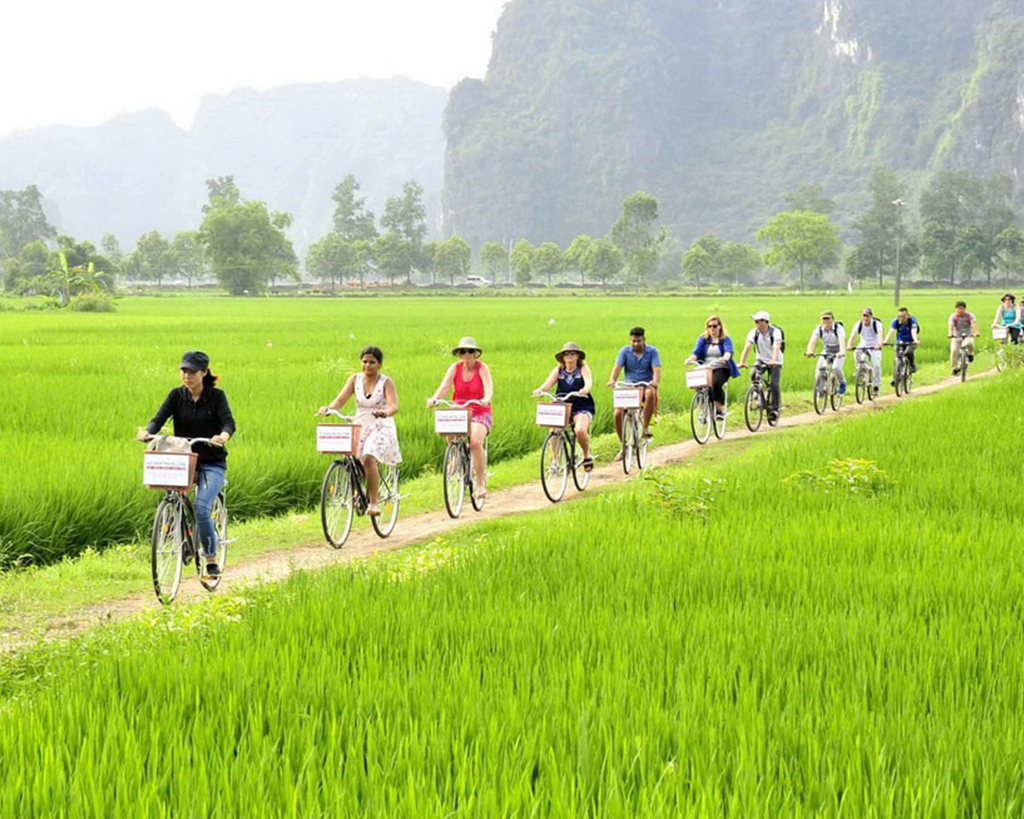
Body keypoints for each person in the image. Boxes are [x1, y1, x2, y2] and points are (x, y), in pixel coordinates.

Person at [138, 351, 235, 578]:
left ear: (204, 372)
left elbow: (229, 422)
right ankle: (178, 528)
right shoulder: (176, 396)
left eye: (192, 371)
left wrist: (222, 437)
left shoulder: (217, 397)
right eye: (183, 371)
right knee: (172, 493)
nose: (186, 376)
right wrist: (147, 432)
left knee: (202, 507)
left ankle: (210, 559)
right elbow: (158, 419)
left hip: (212, 462)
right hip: (183, 460)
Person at [317, 346, 401, 516]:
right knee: (351, 457)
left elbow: (393, 406)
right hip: (360, 424)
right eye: (364, 362)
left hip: (381, 426)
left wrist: (385, 413)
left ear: (379, 364)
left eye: (372, 362)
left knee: (368, 457)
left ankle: (374, 503)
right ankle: (358, 492)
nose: (367, 366)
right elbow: (341, 400)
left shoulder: (386, 382)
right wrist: (329, 408)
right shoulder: (354, 379)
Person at [427, 336, 493, 498]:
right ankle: (455, 456)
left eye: (470, 351)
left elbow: (489, 386)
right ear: (459, 354)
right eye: (463, 351)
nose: (467, 354)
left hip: (479, 410)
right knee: (449, 433)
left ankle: (480, 483)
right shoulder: (454, 368)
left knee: (475, 442)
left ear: (475, 353)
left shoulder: (482, 368)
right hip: (460, 410)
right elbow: (444, 387)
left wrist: (486, 398)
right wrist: (434, 398)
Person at [533, 342, 596, 472]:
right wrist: (540, 390)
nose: (569, 356)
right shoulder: (558, 371)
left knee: (579, 430)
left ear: (578, 356)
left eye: (572, 353)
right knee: (554, 430)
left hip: (581, 405)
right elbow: (547, 385)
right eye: (566, 354)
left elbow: (589, 381)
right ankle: (555, 461)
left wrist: (584, 389)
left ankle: (586, 455)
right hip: (563, 405)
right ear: (562, 357)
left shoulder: (583, 368)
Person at [606, 326, 661, 459]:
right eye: (633, 341)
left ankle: (645, 428)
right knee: (618, 413)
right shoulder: (625, 351)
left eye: (639, 341)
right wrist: (612, 379)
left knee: (650, 394)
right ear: (630, 340)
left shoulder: (652, 351)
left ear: (644, 340)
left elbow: (657, 369)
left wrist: (655, 381)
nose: (636, 344)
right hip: (629, 387)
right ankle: (623, 445)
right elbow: (617, 367)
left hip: (645, 385)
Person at [684, 315, 740, 420]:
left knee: (715, 384)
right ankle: (702, 409)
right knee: (698, 383)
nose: (712, 329)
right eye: (709, 326)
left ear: (720, 327)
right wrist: (690, 359)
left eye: (714, 326)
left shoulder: (725, 339)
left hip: (721, 367)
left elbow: (729, 350)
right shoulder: (703, 339)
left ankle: (719, 409)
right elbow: (697, 352)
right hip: (706, 367)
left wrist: (725, 357)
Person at [739, 311, 783, 422]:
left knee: (774, 384)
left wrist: (773, 360)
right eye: (755, 321)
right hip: (761, 358)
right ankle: (758, 394)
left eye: (758, 321)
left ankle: (774, 409)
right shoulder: (754, 333)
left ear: (765, 322)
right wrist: (742, 362)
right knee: (754, 374)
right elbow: (748, 347)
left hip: (775, 360)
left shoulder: (776, 332)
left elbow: (776, 346)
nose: (756, 323)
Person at [804, 311, 846, 394]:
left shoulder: (838, 328)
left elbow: (842, 340)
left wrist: (842, 352)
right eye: (824, 319)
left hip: (838, 350)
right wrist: (810, 351)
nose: (826, 321)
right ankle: (820, 390)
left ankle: (842, 383)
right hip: (827, 350)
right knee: (820, 368)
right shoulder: (819, 329)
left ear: (833, 320)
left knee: (836, 368)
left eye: (828, 319)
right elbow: (813, 341)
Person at [846, 307, 884, 397]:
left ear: (871, 316)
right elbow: (853, 336)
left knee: (877, 366)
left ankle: (876, 386)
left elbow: (880, 335)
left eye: (867, 316)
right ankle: (859, 369)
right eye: (864, 316)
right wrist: (849, 345)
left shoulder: (876, 324)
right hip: (863, 344)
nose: (865, 318)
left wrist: (879, 345)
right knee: (857, 353)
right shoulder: (859, 324)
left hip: (874, 346)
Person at [883, 307, 920, 385]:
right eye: (899, 316)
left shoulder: (912, 321)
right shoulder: (895, 321)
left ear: (907, 315)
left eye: (903, 316)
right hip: (900, 342)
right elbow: (891, 332)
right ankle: (896, 378)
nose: (901, 318)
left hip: (911, 341)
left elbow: (913, 331)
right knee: (897, 359)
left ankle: (912, 365)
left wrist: (915, 340)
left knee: (908, 352)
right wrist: (885, 341)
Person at [948, 301, 981, 375]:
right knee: (953, 351)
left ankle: (970, 353)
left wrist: (976, 332)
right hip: (956, 335)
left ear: (965, 309)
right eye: (958, 309)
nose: (959, 310)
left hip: (968, 334)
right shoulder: (953, 317)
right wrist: (950, 334)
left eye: (961, 309)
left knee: (969, 343)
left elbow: (974, 324)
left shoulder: (969, 316)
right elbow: (951, 326)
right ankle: (955, 368)